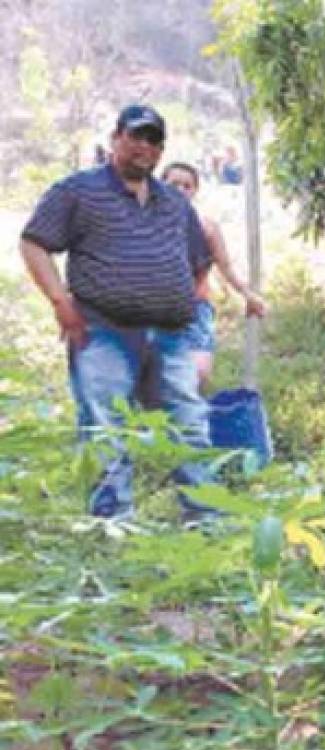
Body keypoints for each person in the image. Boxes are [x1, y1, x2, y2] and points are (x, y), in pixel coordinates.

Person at [19, 104, 214, 521]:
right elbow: (34, 242)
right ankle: (111, 527)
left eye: (154, 140)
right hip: (104, 332)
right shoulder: (78, 190)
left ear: (161, 150)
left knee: (191, 427)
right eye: (137, 136)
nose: (145, 146)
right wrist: (60, 303)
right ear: (116, 139)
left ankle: (208, 522)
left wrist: (198, 325)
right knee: (105, 430)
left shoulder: (174, 203)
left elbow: (200, 261)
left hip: (173, 336)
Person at [162, 161, 267, 391]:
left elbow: (225, 266)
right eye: (173, 184)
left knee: (198, 373)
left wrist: (249, 295)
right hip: (155, 312)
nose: (180, 190)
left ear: (195, 191)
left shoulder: (206, 227)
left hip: (195, 309)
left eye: (187, 186)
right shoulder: (145, 225)